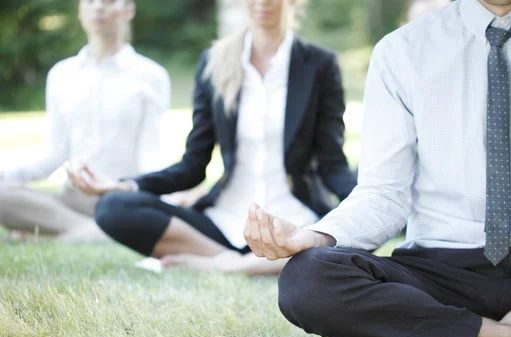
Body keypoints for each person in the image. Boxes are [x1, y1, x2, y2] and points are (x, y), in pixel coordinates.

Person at [244, 0, 511, 337]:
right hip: (437, 275)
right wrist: (314, 237)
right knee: (307, 278)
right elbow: (383, 194)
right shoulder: (402, 52)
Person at [69, 0, 356, 275]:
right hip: (224, 223)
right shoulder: (215, 61)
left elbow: (332, 165)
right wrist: (125, 185)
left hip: (297, 222)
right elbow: (193, 165)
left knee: (347, 239)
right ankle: (241, 261)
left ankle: (221, 264)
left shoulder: (320, 65)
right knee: (114, 207)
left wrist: (367, 200)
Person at [0, 0, 170, 242]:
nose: (98, 7)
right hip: (71, 200)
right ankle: (100, 232)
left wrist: (168, 192)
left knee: (132, 213)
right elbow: (55, 155)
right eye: (90, 1)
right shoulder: (61, 75)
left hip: (120, 199)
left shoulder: (151, 76)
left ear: (128, 10)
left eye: (109, 1)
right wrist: (9, 174)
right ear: (81, 11)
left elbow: (149, 153)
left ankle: (54, 235)